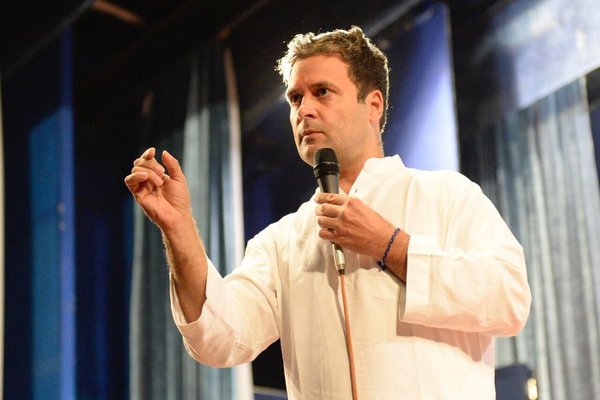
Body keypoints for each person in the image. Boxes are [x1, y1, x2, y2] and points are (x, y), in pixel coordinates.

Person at [125, 26, 531, 399]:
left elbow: (509, 299)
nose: (303, 110)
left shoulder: (446, 195)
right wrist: (178, 228)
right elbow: (220, 338)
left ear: (373, 105)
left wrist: (391, 245)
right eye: (295, 98)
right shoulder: (282, 241)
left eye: (322, 92)